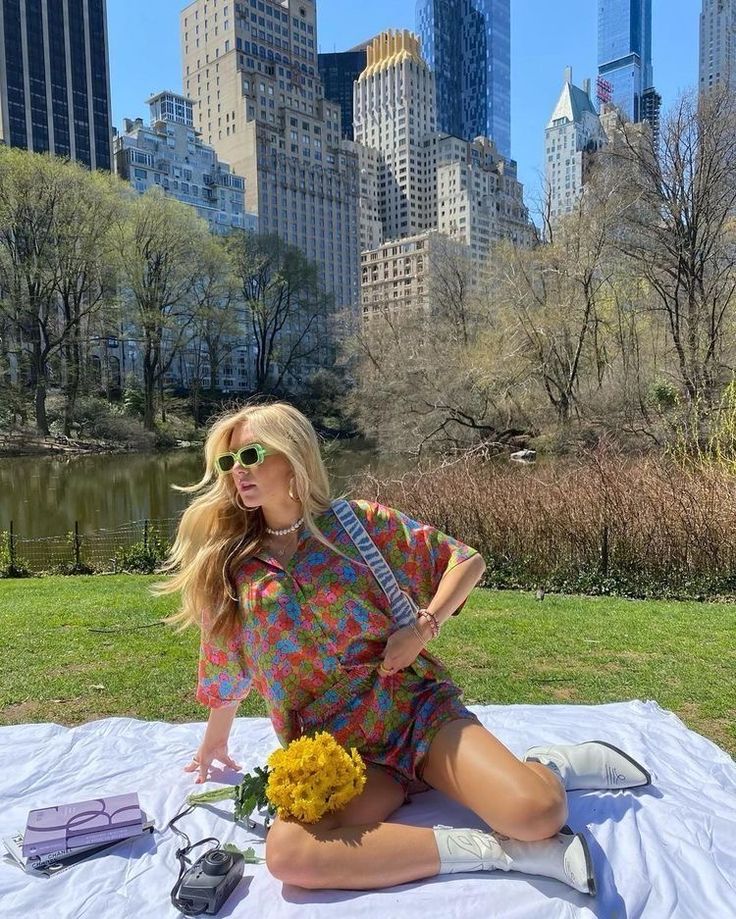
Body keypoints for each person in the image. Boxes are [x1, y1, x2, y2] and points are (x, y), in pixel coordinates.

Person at [160, 401, 650, 896]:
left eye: (250, 455)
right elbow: (225, 658)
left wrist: (422, 627)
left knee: (537, 811)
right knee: (291, 855)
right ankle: (500, 852)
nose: (237, 472)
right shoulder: (232, 565)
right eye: (227, 463)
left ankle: (550, 766)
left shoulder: (357, 525)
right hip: (340, 753)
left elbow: (465, 561)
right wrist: (214, 741)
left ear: (292, 455)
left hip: (414, 713)